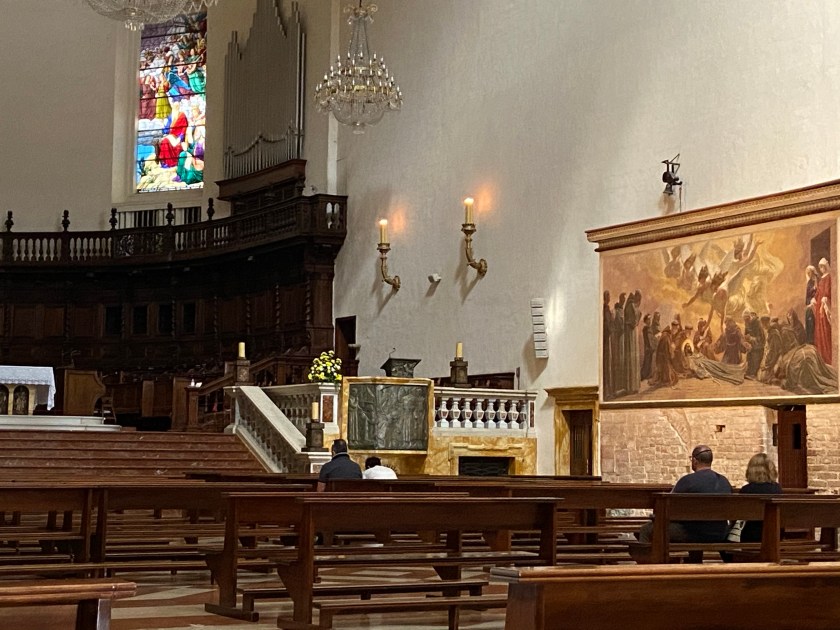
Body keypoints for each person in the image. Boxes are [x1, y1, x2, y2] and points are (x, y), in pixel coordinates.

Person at [634, 445, 732, 562]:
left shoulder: (687, 481)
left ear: (694, 460)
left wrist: (656, 517)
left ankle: (647, 568)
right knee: (694, 524)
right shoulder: (724, 482)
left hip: (692, 534)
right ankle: (694, 563)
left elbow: (669, 508)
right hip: (719, 533)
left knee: (647, 529)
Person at [736, 453, 782, 542]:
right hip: (773, 534)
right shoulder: (777, 489)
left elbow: (739, 514)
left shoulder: (746, 490)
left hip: (751, 535)